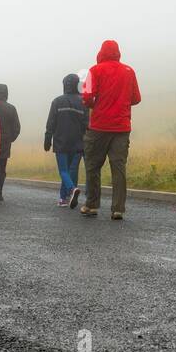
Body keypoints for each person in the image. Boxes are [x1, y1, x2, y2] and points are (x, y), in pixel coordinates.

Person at [80, 39, 141, 220]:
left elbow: (86, 97)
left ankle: (91, 205)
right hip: (122, 127)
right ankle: (118, 209)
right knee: (118, 167)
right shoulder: (129, 71)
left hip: (99, 126)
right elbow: (136, 98)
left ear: (101, 53)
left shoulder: (94, 70)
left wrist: (96, 105)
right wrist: (121, 103)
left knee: (92, 165)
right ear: (118, 52)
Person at [44, 73, 89, 207]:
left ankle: (71, 189)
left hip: (61, 142)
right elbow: (86, 124)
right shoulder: (83, 102)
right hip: (78, 143)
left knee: (63, 171)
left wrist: (48, 137)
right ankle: (64, 198)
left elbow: (51, 122)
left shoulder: (57, 101)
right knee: (71, 170)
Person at [0, 83, 20, 204]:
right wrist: (11, 139)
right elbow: (17, 127)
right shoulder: (11, 108)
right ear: (6, 93)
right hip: (6, 141)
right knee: (2, 168)